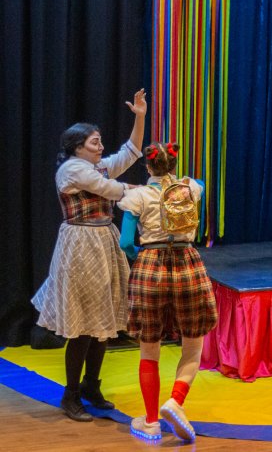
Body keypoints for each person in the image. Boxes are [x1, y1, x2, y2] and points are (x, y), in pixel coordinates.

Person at [32, 89, 147, 421]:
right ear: (77, 147)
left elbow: (130, 153)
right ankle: (70, 395)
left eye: (100, 142)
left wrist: (139, 117)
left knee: (103, 321)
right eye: (95, 142)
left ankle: (90, 386)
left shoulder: (96, 167)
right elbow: (111, 189)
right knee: (83, 325)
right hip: (81, 244)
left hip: (103, 240)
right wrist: (146, 191)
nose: (100, 147)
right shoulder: (73, 170)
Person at [118, 142, 217, 442]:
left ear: (148, 167)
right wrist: (179, 178)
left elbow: (125, 242)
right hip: (187, 262)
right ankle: (176, 400)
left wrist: (139, 256)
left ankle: (151, 422)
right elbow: (200, 182)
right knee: (193, 345)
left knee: (149, 348)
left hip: (151, 265)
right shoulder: (191, 188)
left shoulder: (137, 196)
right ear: (174, 165)